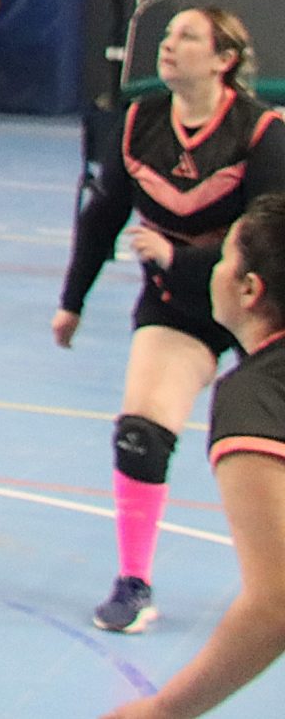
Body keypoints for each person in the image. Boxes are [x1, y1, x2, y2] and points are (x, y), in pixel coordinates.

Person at [57, 6, 285, 635]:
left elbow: (271, 239)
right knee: (141, 431)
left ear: (223, 60)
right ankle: (134, 582)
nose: (168, 43)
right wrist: (73, 300)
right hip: (179, 303)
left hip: (261, 305)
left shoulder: (261, 133)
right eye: (166, 34)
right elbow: (102, 217)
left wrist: (181, 257)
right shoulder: (140, 122)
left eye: (187, 36)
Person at [102, 195, 285, 718]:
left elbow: (275, 604)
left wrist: (165, 710)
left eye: (223, 258)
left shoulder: (256, 398)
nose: (213, 270)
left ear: (249, 289)